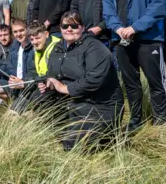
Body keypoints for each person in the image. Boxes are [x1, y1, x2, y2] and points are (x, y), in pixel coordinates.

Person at [103, 0, 166, 132]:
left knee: (156, 83)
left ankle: (161, 124)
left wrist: (135, 27)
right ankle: (136, 120)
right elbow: (107, 5)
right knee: (131, 84)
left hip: (148, 39)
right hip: (122, 40)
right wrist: (118, 28)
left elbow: (157, 8)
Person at [38, 11, 124, 150]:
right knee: (45, 127)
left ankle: (110, 137)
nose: (69, 29)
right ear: (60, 28)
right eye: (65, 26)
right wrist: (49, 83)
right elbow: (52, 73)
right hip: (76, 102)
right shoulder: (58, 48)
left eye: (74, 25)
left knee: (71, 144)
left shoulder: (94, 47)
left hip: (101, 105)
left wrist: (65, 89)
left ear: (83, 27)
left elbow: (94, 79)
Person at [9, 21, 61, 114]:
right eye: (32, 39)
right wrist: (25, 82)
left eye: (38, 38)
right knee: (11, 112)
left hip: (54, 89)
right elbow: (32, 72)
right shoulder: (36, 49)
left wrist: (25, 83)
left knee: (27, 115)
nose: (35, 42)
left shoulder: (56, 47)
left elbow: (55, 73)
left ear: (46, 34)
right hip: (39, 84)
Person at [0, 19, 36, 104]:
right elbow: (10, 67)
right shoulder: (15, 46)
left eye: (21, 30)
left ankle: (14, 99)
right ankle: (10, 98)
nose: (18, 34)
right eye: (15, 32)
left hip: (25, 83)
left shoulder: (33, 47)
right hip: (14, 81)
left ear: (27, 30)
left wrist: (22, 81)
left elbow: (33, 72)